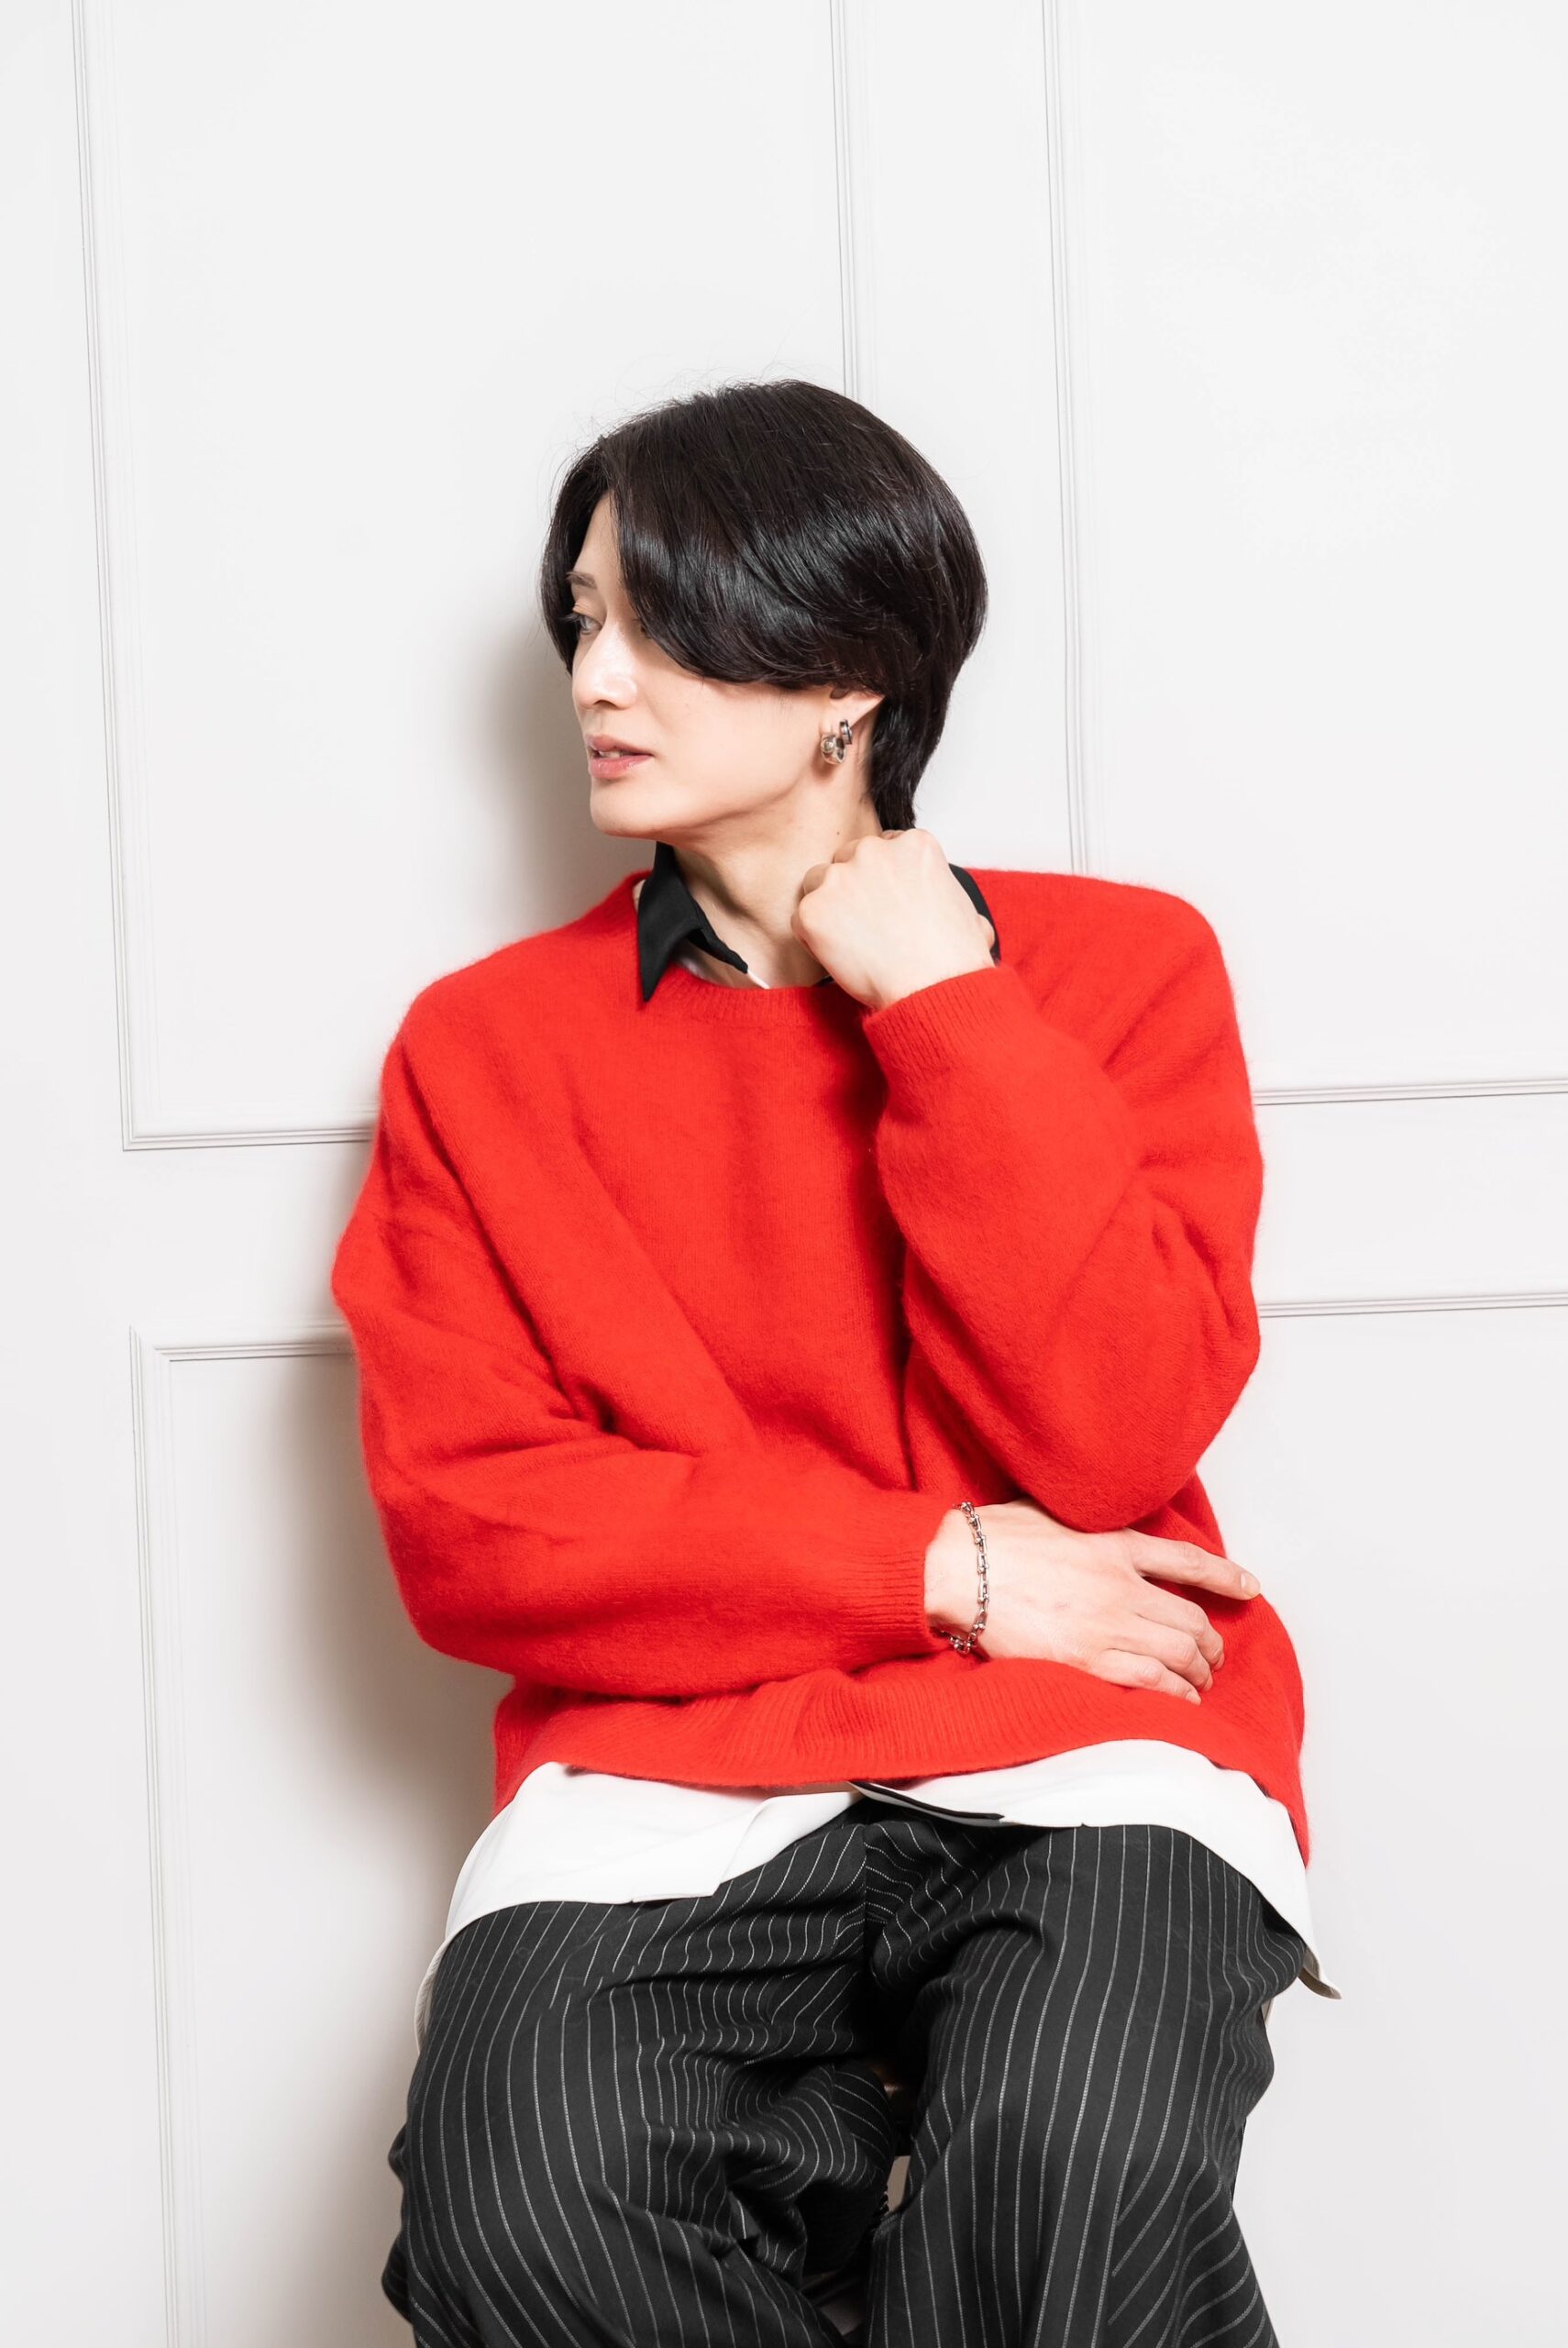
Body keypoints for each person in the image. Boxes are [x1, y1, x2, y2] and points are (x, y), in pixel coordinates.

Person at [330, 377, 1337, 2348]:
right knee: (520, 2206)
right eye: (584, 619)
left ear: (847, 677)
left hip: (1088, 1739)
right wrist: (939, 1565)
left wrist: (946, 1004)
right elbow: (478, 1531)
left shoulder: (1115, 967)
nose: (594, 678)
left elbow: (1116, 1432)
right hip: (670, 1768)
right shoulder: (485, 1046)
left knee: (1074, 2152)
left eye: (661, 623)